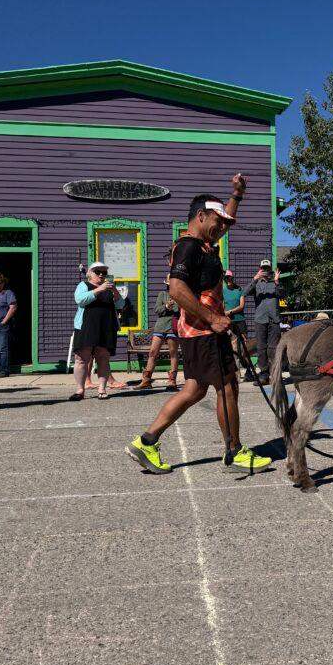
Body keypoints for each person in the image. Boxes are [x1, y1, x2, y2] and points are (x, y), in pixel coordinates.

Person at [126, 176, 272, 475]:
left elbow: (226, 221)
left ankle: (146, 441)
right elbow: (177, 290)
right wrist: (213, 318)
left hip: (197, 333)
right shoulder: (189, 247)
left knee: (194, 390)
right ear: (200, 217)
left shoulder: (204, 244)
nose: (222, 228)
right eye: (216, 222)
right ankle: (234, 452)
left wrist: (236, 196)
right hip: (205, 331)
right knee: (228, 386)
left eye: (223, 223)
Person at [69, 262, 124, 401]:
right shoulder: (84, 285)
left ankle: (102, 389)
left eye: (104, 272)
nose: (101, 274)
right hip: (86, 326)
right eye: (98, 271)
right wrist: (99, 290)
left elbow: (121, 305)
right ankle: (80, 390)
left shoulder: (110, 288)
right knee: (81, 359)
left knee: (103, 359)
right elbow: (80, 300)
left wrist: (115, 292)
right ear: (90, 274)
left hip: (106, 327)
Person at [138, 275, 180, 390]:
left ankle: (172, 381)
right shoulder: (162, 294)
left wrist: (173, 307)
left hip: (173, 327)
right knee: (152, 353)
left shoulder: (180, 294)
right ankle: (146, 380)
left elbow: (180, 310)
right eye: (169, 282)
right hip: (160, 327)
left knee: (173, 353)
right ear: (167, 283)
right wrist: (166, 306)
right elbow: (157, 309)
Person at [244, 259, 282, 384]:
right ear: (260, 268)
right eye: (263, 268)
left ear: (270, 268)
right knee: (261, 348)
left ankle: (275, 373)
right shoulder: (257, 283)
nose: (265, 271)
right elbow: (245, 293)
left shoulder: (275, 282)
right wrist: (255, 278)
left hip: (274, 320)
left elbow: (282, 294)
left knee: (274, 348)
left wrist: (276, 281)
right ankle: (264, 375)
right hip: (260, 320)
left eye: (267, 268)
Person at [221, 269, 252, 382]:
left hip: (240, 321)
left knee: (244, 348)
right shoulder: (223, 292)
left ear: (232, 278)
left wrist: (231, 312)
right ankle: (236, 374)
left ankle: (249, 371)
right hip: (229, 323)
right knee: (233, 348)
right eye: (226, 278)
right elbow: (222, 307)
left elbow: (241, 306)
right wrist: (225, 315)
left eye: (230, 278)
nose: (228, 280)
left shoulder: (239, 290)